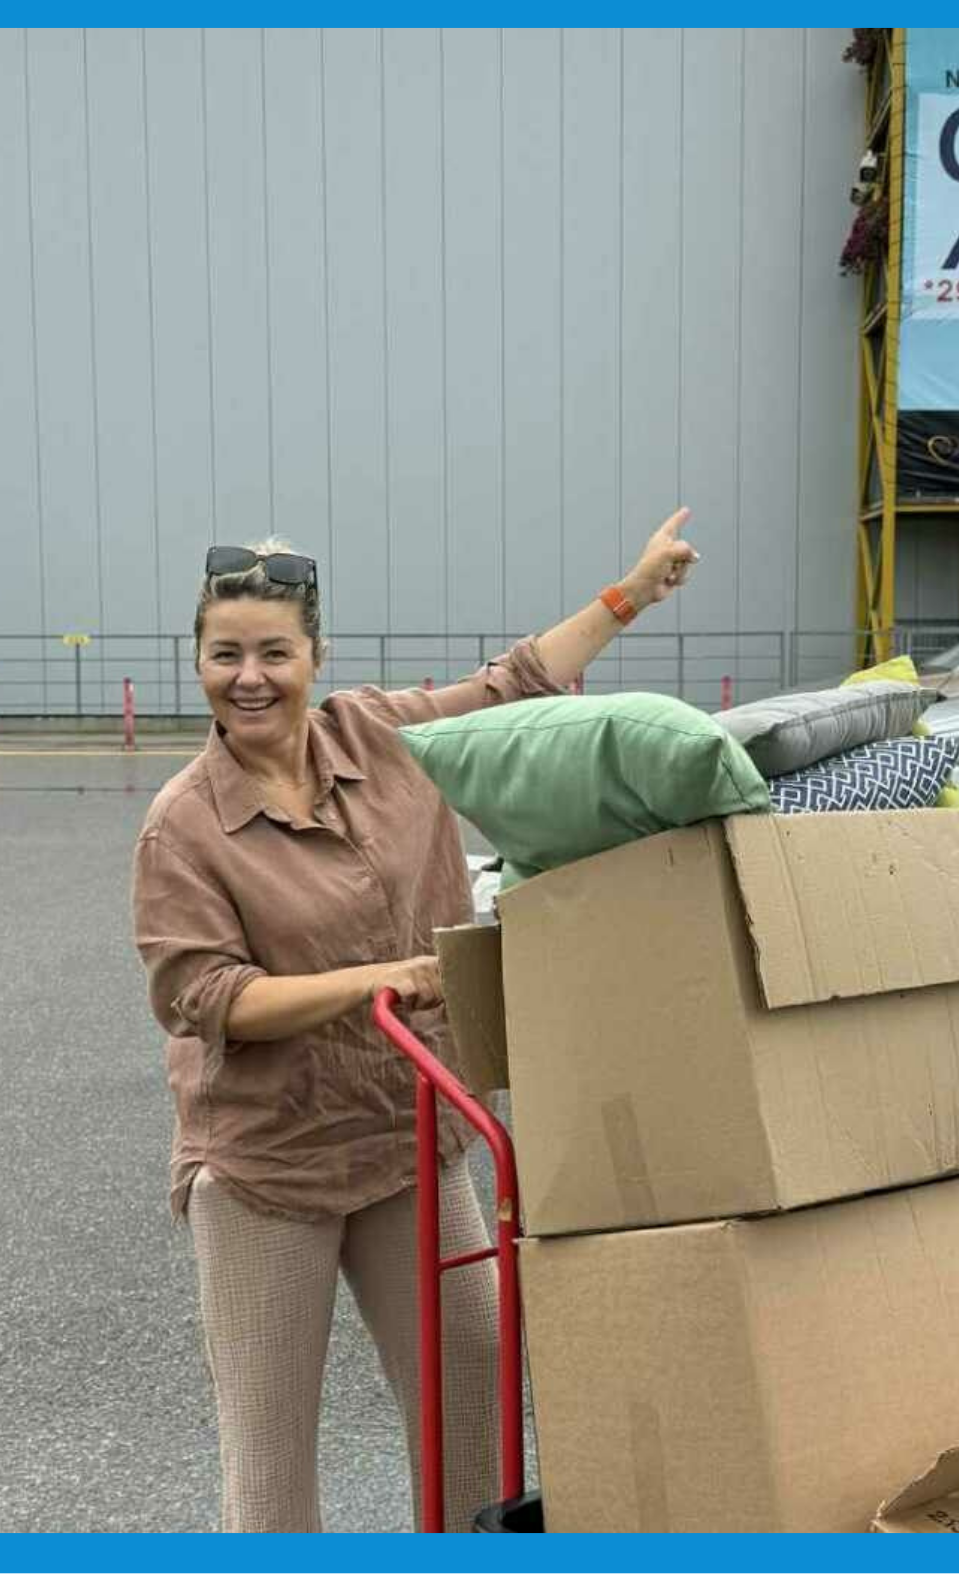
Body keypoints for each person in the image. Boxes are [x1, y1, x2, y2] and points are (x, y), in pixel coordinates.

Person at [132, 510, 700, 1532]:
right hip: (271, 1165)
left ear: (316, 657)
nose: (249, 677)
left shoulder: (379, 734)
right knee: (269, 1465)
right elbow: (207, 998)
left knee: (472, 1389)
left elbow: (515, 684)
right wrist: (376, 980)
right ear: (198, 661)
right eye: (225, 655)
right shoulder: (184, 823)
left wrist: (631, 592)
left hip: (408, 1137)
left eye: (273, 653)